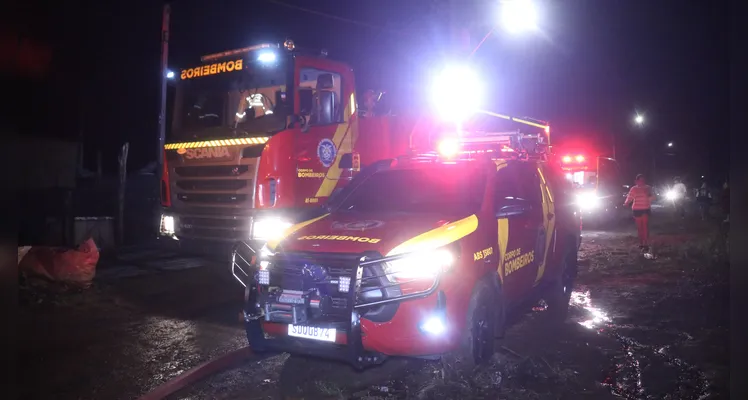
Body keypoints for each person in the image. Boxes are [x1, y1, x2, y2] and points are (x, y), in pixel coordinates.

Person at [624, 174, 656, 252]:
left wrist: (649, 195)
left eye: (643, 180)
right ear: (636, 181)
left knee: (645, 226)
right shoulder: (634, 189)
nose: (641, 182)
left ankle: (646, 243)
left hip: (645, 209)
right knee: (639, 227)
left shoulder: (648, 188)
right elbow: (630, 197)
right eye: (640, 180)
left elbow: (653, 197)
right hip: (636, 209)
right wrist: (626, 203)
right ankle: (641, 243)